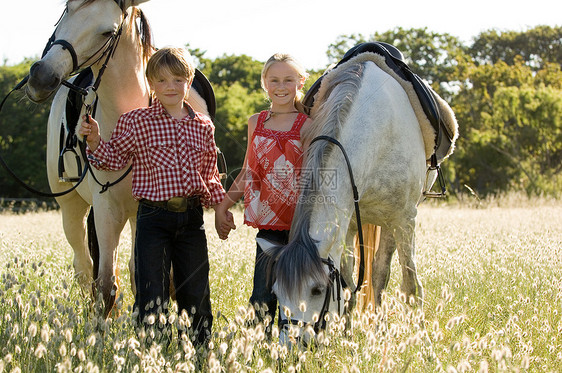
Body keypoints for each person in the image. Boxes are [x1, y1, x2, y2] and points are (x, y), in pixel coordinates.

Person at [78, 47, 226, 347]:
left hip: (192, 221)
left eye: (177, 80)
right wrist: (94, 140)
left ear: (189, 80)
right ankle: (151, 351)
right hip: (152, 219)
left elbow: (210, 175)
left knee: (195, 289)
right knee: (150, 289)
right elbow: (113, 159)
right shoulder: (136, 122)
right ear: (150, 84)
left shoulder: (203, 126)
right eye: (161, 81)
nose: (170, 87)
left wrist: (221, 210)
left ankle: (197, 350)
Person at [214, 53, 311, 328]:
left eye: (288, 80)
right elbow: (248, 171)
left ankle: (291, 352)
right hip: (269, 224)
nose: (281, 86)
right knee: (262, 293)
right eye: (274, 80)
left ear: (300, 82)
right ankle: (257, 351)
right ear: (264, 84)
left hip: (301, 225)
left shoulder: (308, 124)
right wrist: (223, 206)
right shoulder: (256, 122)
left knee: (296, 294)